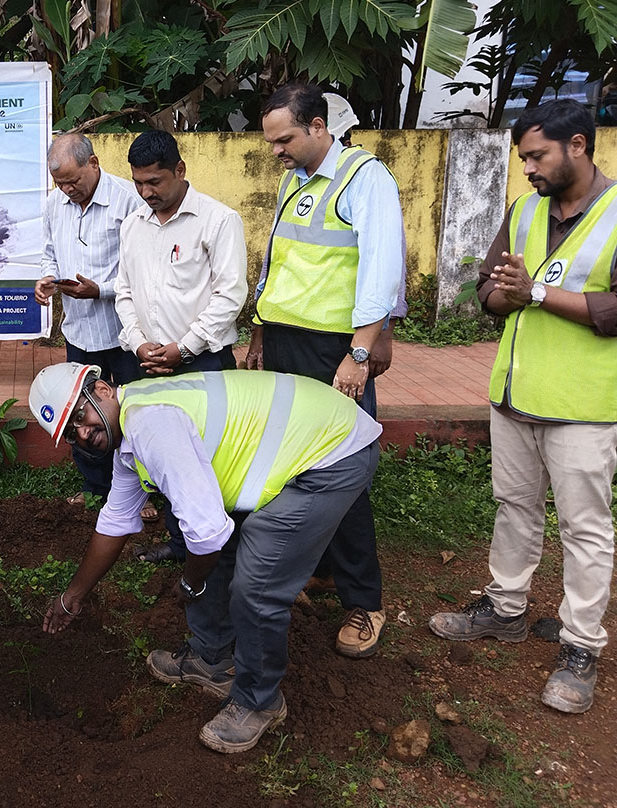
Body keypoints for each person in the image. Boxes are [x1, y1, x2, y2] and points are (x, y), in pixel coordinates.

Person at [31, 362, 381, 754]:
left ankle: (259, 701)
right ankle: (213, 659)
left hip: (332, 450)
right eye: (70, 434)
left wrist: (191, 581)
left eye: (80, 415)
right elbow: (115, 521)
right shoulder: (130, 435)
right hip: (303, 439)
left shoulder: (151, 425)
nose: (83, 433)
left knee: (256, 582)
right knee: (209, 542)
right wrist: (72, 597)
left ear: (102, 390)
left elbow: (208, 535)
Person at [430, 99, 617, 715]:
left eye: (537, 155)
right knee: (514, 508)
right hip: (514, 394)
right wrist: (505, 296)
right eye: (523, 157)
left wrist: (535, 292)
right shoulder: (526, 209)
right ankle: (506, 607)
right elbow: (488, 289)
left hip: (585, 405)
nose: (528, 168)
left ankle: (581, 644)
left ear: (579, 146)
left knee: (585, 527)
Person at [244, 83, 406, 659]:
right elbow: (278, 259)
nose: (276, 151)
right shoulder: (294, 180)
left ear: (319, 127)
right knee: (292, 467)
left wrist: (360, 353)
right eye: (270, 141)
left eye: (284, 139)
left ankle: (365, 602)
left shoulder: (367, 179)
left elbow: (382, 271)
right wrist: (262, 330)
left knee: (341, 469)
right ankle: (325, 571)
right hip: (287, 345)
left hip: (333, 351)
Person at [114, 129, 248, 560]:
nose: (146, 192)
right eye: (138, 183)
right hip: (147, 363)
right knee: (161, 459)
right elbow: (124, 291)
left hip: (203, 363)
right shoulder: (133, 225)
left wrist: (184, 348)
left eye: (155, 182)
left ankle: (220, 547)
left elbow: (230, 296)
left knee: (213, 459)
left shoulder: (218, 220)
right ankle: (180, 541)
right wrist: (138, 345)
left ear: (180, 170)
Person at [35, 133, 143, 505]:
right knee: (79, 414)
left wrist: (102, 290)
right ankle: (97, 488)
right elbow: (49, 251)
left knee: (130, 412)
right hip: (79, 330)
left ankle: (142, 492)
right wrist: (47, 279)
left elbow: (142, 270)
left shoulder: (128, 199)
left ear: (93, 164)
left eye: (73, 181)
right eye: (60, 184)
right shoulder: (55, 203)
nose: (68, 190)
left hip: (124, 332)